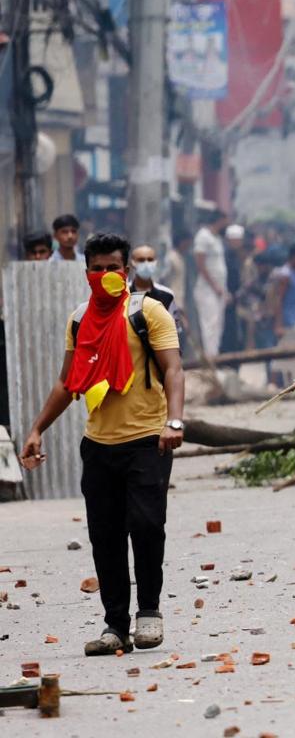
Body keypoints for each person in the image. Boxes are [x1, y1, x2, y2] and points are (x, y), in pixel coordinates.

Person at [19, 233, 184, 655]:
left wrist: (174, 421)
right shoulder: (79, 319)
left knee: (147, 526)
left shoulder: (149, 313)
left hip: (148, 440)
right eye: (98, 268)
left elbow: (174, 371)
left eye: (113, 267)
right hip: (98, 445)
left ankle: (149, 612)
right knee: (105, 536)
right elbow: (66, 382)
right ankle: (115, 625)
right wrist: (38, 428)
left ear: (126, 271)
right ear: (86, 272)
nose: (106, 275)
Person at [192, 209, 230, 357]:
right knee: (210, 324)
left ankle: (215, 355)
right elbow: (200, 264)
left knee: (218, 325)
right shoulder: (203, 236)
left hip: (219, 289)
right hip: (207, 289)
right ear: (219, 220)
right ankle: (210, 357)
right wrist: (214, 285)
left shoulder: (217, 239)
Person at [271, 242, 295, 384]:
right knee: (284, 352)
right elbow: (279, 300)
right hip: (287, 320)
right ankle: (274, 382)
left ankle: (289, 383)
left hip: (294, 318)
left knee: (289, 353)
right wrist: (278, 324)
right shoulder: (285, 274)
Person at [129, 244, 182, 332]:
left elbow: (174, 330)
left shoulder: (167, 295)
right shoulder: (124, 293)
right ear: (132, 262)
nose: (146, 264)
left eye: (150, 260)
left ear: (156, 262)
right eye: (141, 260)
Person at [220, 224, 249, 353]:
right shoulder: (226, 255)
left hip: (233, 298)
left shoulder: (234, 255)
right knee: (227, 329)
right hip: (227, 297)